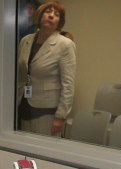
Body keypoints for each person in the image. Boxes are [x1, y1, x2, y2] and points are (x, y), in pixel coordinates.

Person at [16, 2, 76, 136]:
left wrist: (60, 116)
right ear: (40, 15)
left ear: (59, 22)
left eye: (57, 15)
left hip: (47, 111)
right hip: (24, 104)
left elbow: (68, 84)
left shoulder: (65, 45)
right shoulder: (26, 40)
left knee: (42, 153)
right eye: (48, 12)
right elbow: (21, 73)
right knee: (25, 150)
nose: (51, 16)